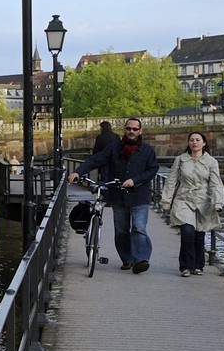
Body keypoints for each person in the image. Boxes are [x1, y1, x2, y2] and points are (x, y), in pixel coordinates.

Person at [68, 117, 159, 273]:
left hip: (139, 196)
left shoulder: (147, 151)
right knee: (122, 230)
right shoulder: (114, 148)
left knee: (139, 228)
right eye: (129, 128)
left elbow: (152, 170)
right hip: (118, 195)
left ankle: (141, 259)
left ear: (140, 131)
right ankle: (127, 259)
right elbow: (95, 160)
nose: (131, 131)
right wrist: (78, 172)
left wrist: (135, 180)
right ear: (124, 129)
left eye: (135, 129)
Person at [159, 131, 224, 276]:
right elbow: (171, 181)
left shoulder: (211, 162)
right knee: (187, 232)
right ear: (188, 143)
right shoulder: (181, 160)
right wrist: (166, 201)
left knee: (199, 234)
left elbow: (216, 183)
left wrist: (218, 202)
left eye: (197, 140)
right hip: (184, 198)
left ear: (203, 143)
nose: (194, 142)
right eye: (191, 140)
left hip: (203, 200)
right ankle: (185, 266)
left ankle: (198, 265)